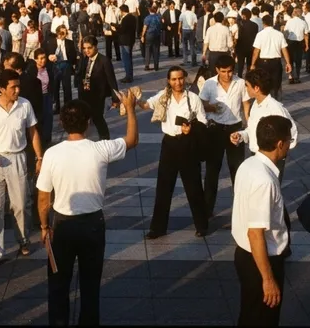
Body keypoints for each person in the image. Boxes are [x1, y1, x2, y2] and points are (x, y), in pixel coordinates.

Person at [38, 92, 138, 327]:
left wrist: (44, 227)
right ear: (89, 122)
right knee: (90, 285)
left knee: (58, 284)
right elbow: (132, 140)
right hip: (93, 225)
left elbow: (44, 199)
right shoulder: (100, 150)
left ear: (62, 123)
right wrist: (130, 109)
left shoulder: (52, 154)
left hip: (62, 225)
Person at [0, 68, 43, 270]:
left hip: (18, 158)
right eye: (13, 87)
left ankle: (23, 240)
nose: (17, 89)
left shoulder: (25, 105)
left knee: (21, 204)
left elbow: (33, 132)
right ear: (2, 89)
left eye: (18, 85)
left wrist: (39, 157)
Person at [231, 115, 293, 327]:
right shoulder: (264, 180)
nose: (290, 145)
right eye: (289, 140)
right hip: (260, 260)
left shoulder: (249, 164)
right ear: (280, 144)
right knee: (263, 319)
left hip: (246, 255)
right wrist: (267, 279)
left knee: (249, 315)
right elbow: (255, 233)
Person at [141, 66, 209, 238]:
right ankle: (157, 228)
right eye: (174, 79)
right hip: (169, 144)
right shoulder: (164, 97)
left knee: (193, 186)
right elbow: (146, 105)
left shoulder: (193, 98)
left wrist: (191, 129)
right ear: (168, 81)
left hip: (187, 143)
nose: (178, 82)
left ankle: (201, 225)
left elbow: (203, 121)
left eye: (180, 78)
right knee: (164, 187)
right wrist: (133, 98)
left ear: (185, 78)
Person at [200, 55, 250, 214]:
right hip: (215, 129)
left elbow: (246, 105)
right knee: (212, 171)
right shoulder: (209, 84)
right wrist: (212, 108)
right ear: (217, 70)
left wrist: (248, 126)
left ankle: (241, 210)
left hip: (235, 128)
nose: (227, 75)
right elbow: (200, 105)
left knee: (238, 170)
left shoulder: (240, 83)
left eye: (230, 71)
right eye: (224, 71)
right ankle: (207, 210)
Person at [77, 35, 120, 141]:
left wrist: (115, 98)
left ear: (96, 47)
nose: (86, 50)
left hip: (98, 96)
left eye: (89, 48)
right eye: (84, 48)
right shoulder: (85, 59)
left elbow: (111, 80)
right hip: (85, 94)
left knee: (98, 119)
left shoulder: (104, 61)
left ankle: (105, 139)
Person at [251, 13, 291, 101]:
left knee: (263, 84)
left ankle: (265, 102)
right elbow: (284, 49)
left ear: (263, 23)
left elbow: (256, 51)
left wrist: (252, 64)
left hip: (263, 63)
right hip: (276, 63)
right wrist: (288, 63)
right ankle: (275, 101)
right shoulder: (279, 34)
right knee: (275, 85)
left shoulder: (260, 34)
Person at [43, 24, 78, 113]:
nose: (63, 35)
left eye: (65, 33)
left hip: (65, 64)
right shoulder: (50, 42)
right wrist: (49, 57)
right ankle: (56, 106)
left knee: (67, 87)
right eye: (61, 33)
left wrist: (72, 64)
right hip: (55, 65)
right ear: (57, 33)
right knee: (55, 87)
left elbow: (73, 55)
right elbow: (45, 53)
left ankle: (68, 106)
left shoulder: (69, 42)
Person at [283, 6, 309, 85]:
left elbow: (285, 32)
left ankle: (290, 76)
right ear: (300, 14)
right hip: (299, 43)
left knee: (290, 60)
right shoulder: (303, 22)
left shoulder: (289, 21)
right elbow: (306, 35)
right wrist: (307, 45)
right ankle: (297, 77)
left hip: (290, 42)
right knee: (298, 61)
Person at [141, 3, 163, 71]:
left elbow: (145, 27)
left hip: (149, 35)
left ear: (149, 10)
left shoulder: (147, 18)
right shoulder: (159, 17)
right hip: (157, 35)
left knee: (148, 50)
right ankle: (156, 65)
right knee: (156, 50)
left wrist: (142, 36)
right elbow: (162, 21)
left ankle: (147, 65)